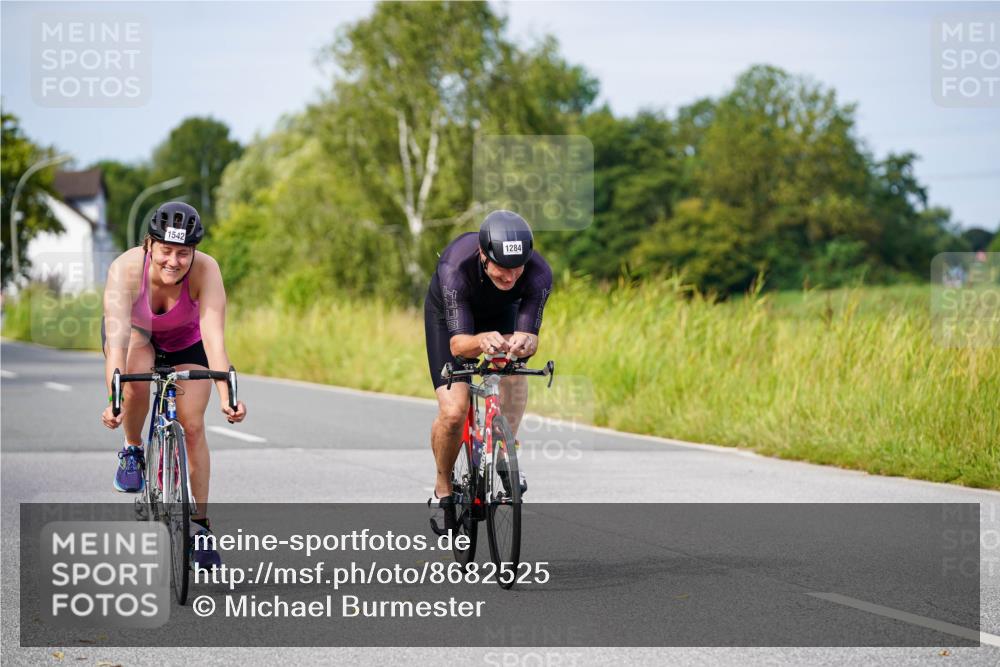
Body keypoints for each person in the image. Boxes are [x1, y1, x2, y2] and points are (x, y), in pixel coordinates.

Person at [100, 201, 246, 568]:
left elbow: (214, 340)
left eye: (184, 252)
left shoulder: (207, 270)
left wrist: (229, 397)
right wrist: (114, 401)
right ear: (150, 245)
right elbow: (116, 345)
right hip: (136, 335)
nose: (174, 261)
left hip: (187, 341)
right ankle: (133, 449)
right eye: (166, 250)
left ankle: (199, 527)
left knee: (193, 425)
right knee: (135, 377)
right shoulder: (125, 270)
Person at [424, 210, 552, 501]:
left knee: (515, 365)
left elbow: (531, 337)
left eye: (517, 268)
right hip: (449, 319)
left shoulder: (539, 273)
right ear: (483, 254)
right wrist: (481, 340)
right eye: (502, 267)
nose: (510, 276)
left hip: (499, 312)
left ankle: (506, 452)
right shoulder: (455, 266)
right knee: (454, 412)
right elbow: (457, 346)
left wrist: (524, 343)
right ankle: (443, 490)